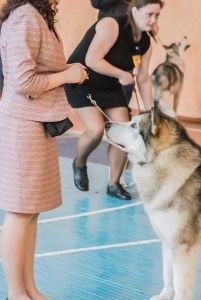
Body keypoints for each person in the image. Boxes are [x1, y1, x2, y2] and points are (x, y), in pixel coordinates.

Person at [0, 0, 88, 299]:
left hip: (38, 123)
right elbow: (23, 81)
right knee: (20, 212)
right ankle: (16, 293)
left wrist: (67, 70)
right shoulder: (25, 17)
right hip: (22, 125)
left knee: (31, 212)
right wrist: (67, 76)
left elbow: (39, 69)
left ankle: (29, 288)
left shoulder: (36, 15)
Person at [64, 0, 163, 200]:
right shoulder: (112, 24)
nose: (153, 20)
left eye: (157, 15)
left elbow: (143, 79)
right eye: (149, 14)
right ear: (134, 11)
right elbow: (92, 60)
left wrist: (150, 112)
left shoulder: (145, 43)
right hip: (82, 80)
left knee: (124, 131)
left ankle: (114, 183)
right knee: (96, 130)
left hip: (110, 86)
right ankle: (80, 162)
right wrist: (121, 74)